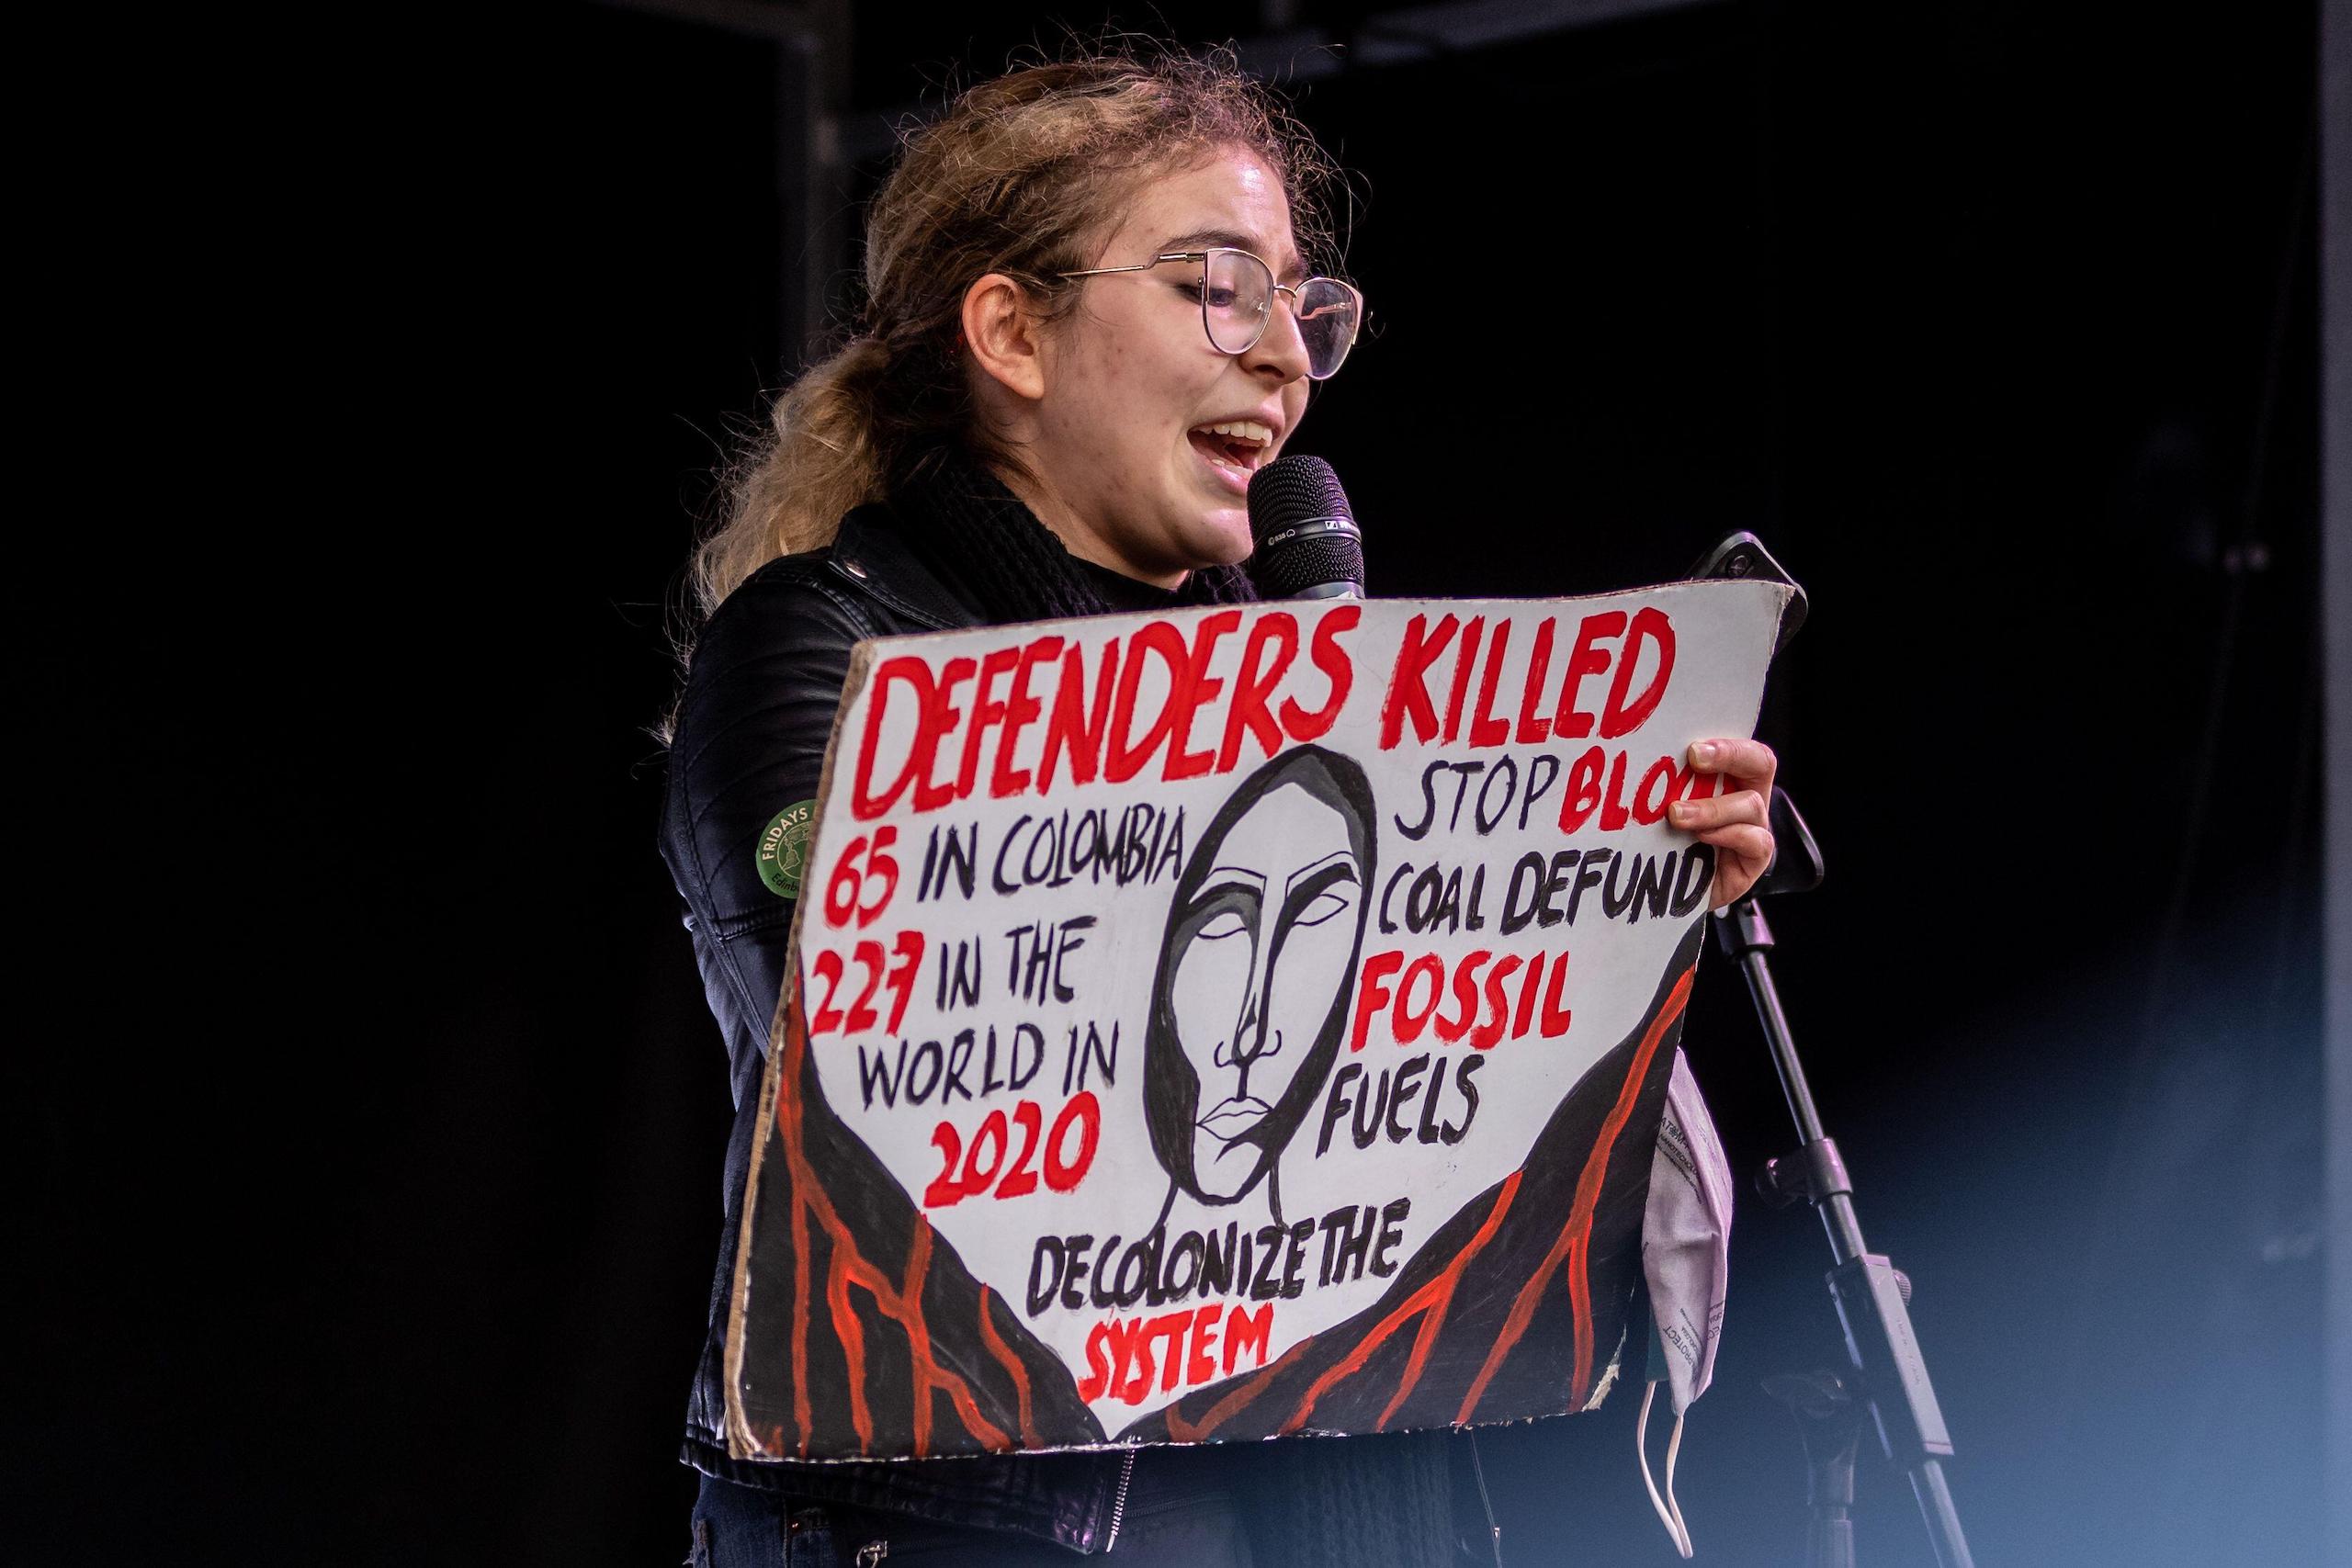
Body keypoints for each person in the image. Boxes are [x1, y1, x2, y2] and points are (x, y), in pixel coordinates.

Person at [659, 46, 1778, 1568]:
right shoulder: (830, 647)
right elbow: (893, 1080)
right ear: (1014, 332)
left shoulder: (1321, 697)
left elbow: (1443, 1152)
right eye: (1215, 289)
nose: (1285, 359)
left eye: (1302, 308)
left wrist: (1608, 907)